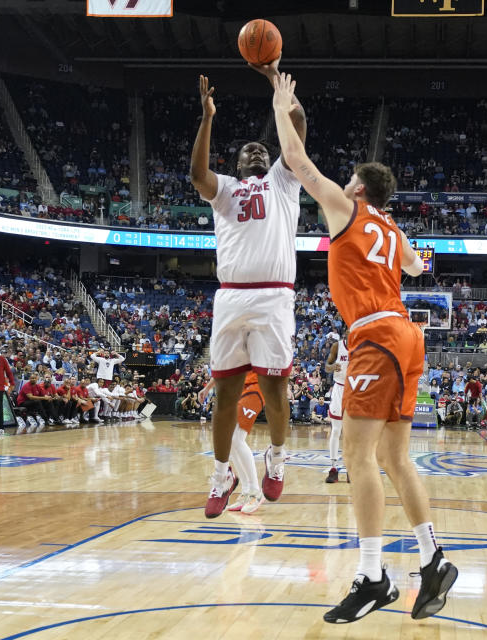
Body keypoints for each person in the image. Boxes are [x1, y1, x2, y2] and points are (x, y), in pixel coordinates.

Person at [269, 72, 456, 624]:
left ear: (356, 189)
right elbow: (419, 266)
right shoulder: (393, 232)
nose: (342, 184)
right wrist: (397, 238)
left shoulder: (345, 209)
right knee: (396, 458)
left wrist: (283, 105)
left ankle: (373, 575)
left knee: (357, 459)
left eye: (348, 180)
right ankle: (432, 559)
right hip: (407, 334)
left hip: (376, 335)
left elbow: (296, 160)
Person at [189, 60, 307, 518]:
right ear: (238, 164)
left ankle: (276, 460)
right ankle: (222, 475)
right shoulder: (226, 190)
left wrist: (278, 86)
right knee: (225, 395)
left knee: (277, 391)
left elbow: (296, 126)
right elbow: (198, 175)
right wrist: (207, 119)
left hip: (275, 295)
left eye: (263, 148)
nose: (258, 152)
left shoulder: (284, 179)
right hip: (232, 296)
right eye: (249, 151)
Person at [199, 375, 265, 514]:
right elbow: (224, 367)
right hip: (239, 388)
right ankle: (246, 491)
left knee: (237, 438)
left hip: (257, 386)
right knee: (230, 439)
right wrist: (207, 388)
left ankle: (255, 492)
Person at [324, 331, 349, 483]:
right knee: (336, 430)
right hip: (339, 388)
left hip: (355, 390)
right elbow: (327, 367)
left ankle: (350, 469)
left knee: (352, 435)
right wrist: (333, 366)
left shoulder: (362, 347)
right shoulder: (337, 346)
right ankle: (333, 468)